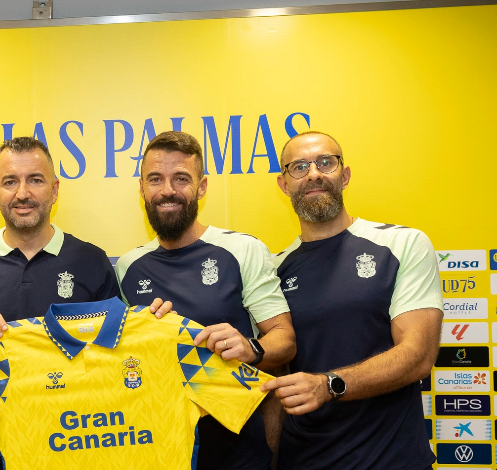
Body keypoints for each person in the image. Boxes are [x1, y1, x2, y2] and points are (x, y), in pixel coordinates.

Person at [0, 136, 170, 470]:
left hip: (73, 448)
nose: (22, 193)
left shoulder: (91, 260)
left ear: (54, 190)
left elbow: (119, 360)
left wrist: (154, 331)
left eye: (35, 180)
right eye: (10, 181)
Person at [261, 131, 442, 470]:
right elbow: (276, 379)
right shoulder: (272, 270)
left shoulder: (403, 245)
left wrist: (329, 385)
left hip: (393, 461)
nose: (314, 173)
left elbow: (418, 356)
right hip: (303, 460)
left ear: (344, 175)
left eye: (325, 162)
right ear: (283, 184)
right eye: (299, 167)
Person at [115, 131, 296, 470]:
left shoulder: (243, 250)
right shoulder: (127, 266)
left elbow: (285, 341)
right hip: (158, 450)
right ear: (141, 188)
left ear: (202, 186)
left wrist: (251, 348)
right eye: (155, 179)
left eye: (181, 178)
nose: (167, 190)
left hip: (238, 452)